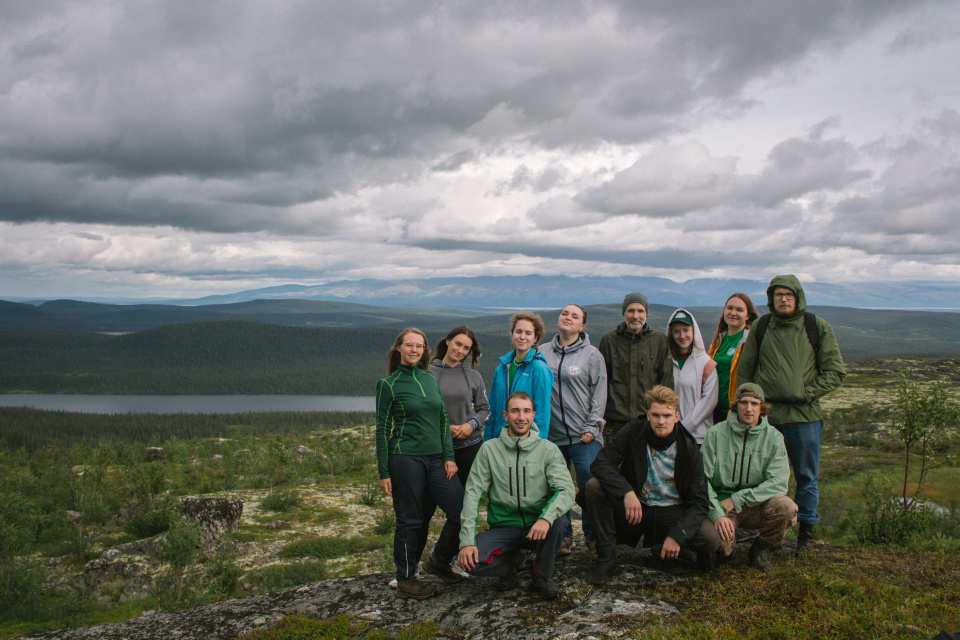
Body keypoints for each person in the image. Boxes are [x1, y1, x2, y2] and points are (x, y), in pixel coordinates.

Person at [737, 275, 845, 555]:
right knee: (762, 476)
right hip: (768, 418)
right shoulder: (761, 327)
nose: (783, 299)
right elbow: (746, 372)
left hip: (804, 418)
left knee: (806, 476)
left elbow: (835, 372)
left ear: (798, 297)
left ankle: (806, 536)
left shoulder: (816, 327)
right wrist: (750, 404)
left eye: (788, 294)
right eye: (778, 294)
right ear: (771, 298)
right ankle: (769, 535)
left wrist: (805, 392)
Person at [585, 386, 719, 583]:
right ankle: (606, 558)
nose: (661, 421)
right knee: (594, 487)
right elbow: (600, 463)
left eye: (667, 415)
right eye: (656, 415)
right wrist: (626, 492)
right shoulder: (633, 430)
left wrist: (678, 535)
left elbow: (699, 503)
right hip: (638, 507)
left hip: (672, 511)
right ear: (648, 415)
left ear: (677, 416)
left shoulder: (690, 449)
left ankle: (669, 545)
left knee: (710, 539)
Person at [458, 392, 576, 600]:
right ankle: (511, 564)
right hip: (505, 526)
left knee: (559, 522)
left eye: (526, 411)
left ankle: (540, 575)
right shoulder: (489, 450)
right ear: (505, 415)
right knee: (467, 563)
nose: (521, 417)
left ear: (533, 415)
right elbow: (472, 494)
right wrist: (466, 541)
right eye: (515, 411)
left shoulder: (548, 450)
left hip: (539, 526)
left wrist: (545, 518)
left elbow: (566, 490)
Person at [376, 328, 465, 599]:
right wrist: (383, 471)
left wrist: (448, 456)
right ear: (399, 349)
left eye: (420, 346)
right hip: (405, 458)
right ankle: (406, 577)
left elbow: (441, 419)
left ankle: (439, 561)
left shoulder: (428, 378)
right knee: (410, 519)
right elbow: (382, 429)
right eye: (410, 345)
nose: (415, 350)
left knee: (461, 509)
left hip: (436, 458)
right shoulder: (388, 384)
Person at [702, 383, 798, 571]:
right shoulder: (715, 434)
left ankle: (762, 548)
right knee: (713, 540)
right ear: (735, 406)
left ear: (761, 408)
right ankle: (726, 549)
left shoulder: (774, 438)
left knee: (787, 508)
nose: (748, 408)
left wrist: (738, 499)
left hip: (756, 504)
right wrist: (716, 513)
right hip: (723, 505)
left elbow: (778, 483)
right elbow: (701, 479)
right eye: (743, 402)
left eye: (754, 403)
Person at [538, 304, 607, 556]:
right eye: (565, 313)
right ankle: (564, 537)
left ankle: (593, 536)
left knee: (590, 485)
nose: (568, 318)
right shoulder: (542, 351)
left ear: (582, 326)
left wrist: (593, 426)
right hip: (552, 436)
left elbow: (599, 394)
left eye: (574, 316)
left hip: (584, 436)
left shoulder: (592, 355)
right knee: (558, 486)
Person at [598, 292, 673, 440]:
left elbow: (666, 382)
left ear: (646, 313)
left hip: (647, 421)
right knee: (614, 463)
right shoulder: (609, 340)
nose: (635, 316)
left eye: (640, 311)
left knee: (645, 463)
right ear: (624, 313)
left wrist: (662, 417)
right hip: (615, 422)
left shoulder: (659, 341)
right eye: (631, 310)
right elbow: (601, 382)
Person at [429, 325, 490, 485]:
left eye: (466, 348)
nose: (460, 350)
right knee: (428, 501)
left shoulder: (473, 376)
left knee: (467, 500)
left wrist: (471, 425)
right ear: (448, 341)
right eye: (458, 344)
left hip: (470, 447)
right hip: (436, 447)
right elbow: (418, 411)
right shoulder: (426, 372)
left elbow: (485, 410)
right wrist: (443, 427)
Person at [485, 312, 554, 441]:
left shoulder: (539, 369)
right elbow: (492, 412)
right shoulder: (501, 369)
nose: (522, 337)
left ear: (535, 338)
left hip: (526, 442)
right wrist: (487, 444)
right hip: (499, 441)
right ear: (512, 334)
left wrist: (536, 447)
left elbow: (542, 415)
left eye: (528, 333)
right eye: (518, 332)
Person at [666, 308, 718, 445]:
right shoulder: (666, 362)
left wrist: (682, 428)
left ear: (694, 331)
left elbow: (709, 402)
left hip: (698, 438)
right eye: (676, 332)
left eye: (686, 330)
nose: (682, 335)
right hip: (669, 436)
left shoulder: (706, 364)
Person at [707, 293, 760, 424]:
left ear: (748, 316)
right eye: (729, 308)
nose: (733, 312)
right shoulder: (718, 340)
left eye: (739, 310)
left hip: (736, 412)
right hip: (712, 410)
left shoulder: (750, 342)